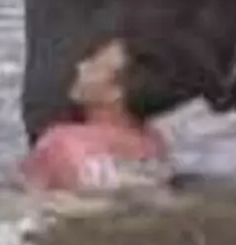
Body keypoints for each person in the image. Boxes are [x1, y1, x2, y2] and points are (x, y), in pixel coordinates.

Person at [19, 40, 172, 192]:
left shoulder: (60, 144)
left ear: (116, 92)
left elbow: (20, 201)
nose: (80, 67)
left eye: (92, 66)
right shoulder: (153, 143)